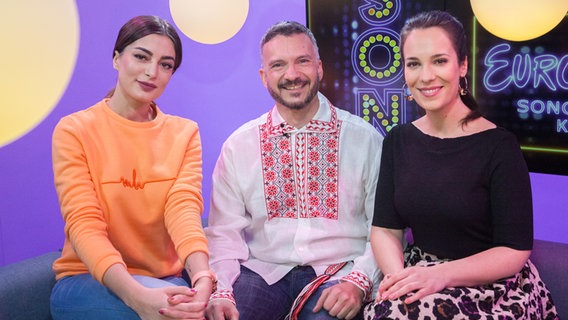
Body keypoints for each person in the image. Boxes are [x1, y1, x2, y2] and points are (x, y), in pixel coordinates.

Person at [363, 10, 558, 319]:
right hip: (419, 273)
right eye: (414, 64)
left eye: (439, 61)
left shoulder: (499, 145)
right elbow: (385, 229)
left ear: (462, 65)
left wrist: (442, 276)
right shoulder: (397, 140)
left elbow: (514, 250)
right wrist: (399, 280)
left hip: (492, 286)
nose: (426, 76)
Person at [204, 21, 383, 320]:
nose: (292, 75)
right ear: (264, 77)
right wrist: (221, 289)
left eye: (302, 61)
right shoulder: (239, 145)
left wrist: (359, 282)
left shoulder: (364, 139)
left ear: (319, 68)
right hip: (262, 270)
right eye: (278, 65)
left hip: (337, 271)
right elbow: (223, 233)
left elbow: (383, 228)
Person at [50, 15, 214, 320]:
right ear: (117, 58)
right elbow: (84, 224)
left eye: (166, 64)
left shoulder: (185, 133)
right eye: (141, 56)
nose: (152, 72)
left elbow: (183, 211)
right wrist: (137, 297)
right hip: (88, 280)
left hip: (165, 281)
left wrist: (204, 277)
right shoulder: (75, 130)